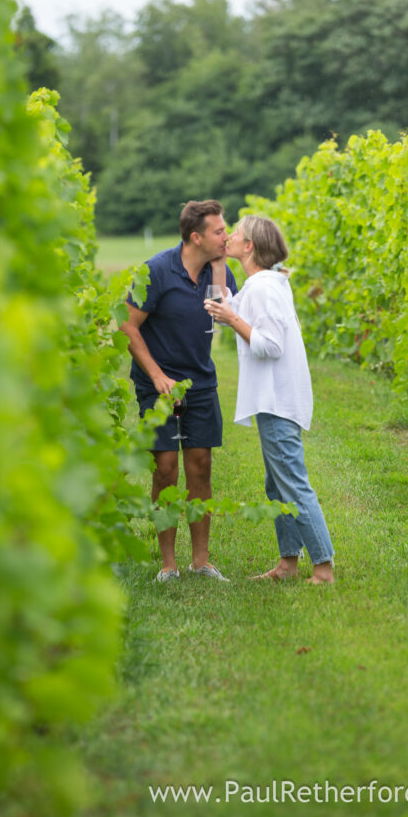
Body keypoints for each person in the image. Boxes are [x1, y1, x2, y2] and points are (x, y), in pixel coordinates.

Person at [205, 215, 334, 584]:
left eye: (236, 234)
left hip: (277, 400)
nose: (228, 236)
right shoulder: (260, 284)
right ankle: (288, 564)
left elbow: (269, 345)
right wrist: (217, 267)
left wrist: (232, 319)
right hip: (276, 398)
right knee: (276, 485)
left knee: (292, 483)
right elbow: (224, 303)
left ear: (249, 247)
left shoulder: (263, 287)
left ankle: (323, 567)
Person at [120, 200, 238, 583]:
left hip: (200, 382)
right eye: (219, 231)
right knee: (166, 470)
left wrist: (219, 264)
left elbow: (224, 310)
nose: (227, 236)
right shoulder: (156, 271)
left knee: (200, 467)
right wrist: (156, 376)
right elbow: (128, 327)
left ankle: (201, 562)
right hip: (159, 385)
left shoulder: (218, 271)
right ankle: (168, 565)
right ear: (195, 237)